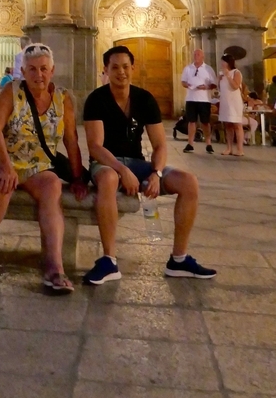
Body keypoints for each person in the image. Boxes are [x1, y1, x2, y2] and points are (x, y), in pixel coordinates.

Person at [83, 45, 216, 284]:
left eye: (125, 67)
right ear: (106, 70)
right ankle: (108, 260)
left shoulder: (144, 99)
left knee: (189, 183)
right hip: (106, 164)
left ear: (132, 68)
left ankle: (178, 259)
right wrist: (122, 170)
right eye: (115, 67)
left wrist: (156, 173)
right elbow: (95, 146)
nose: (121, 72)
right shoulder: (96, 99)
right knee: (109, 178)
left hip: (138, 164)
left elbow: (160, 145)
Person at [0, 43, 87, 292]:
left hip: (36, 164)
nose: (38, 74)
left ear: (52, 70)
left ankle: (54, 265)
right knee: (4, 184)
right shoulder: (12, 91)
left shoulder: (63, 98)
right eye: (32, 69)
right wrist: (6, 167)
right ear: (23, 71)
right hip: (0, 158)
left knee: (52, 185)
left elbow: (71, 140)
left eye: (43, 68)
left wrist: (77, 178)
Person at [181, 48, 218, 153]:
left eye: (198, 54)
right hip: (191, 98)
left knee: (205, 122)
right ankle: (190, 143)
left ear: (202, 56)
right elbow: (183, 82)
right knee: (191, 121)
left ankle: (208, 143)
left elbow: (214, 84)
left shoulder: (208, 69)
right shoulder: (188, 68)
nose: (196, 56)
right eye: (195, 54)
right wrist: (187, 85)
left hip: (204, 99)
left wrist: (206, 87)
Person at [218, 53, 246, 157]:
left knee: (237, 125)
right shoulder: (221, 73)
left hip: (234, 102)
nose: (222, 63)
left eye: (223, 61)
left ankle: (240, 149)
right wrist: (219, 79)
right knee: (228, 125)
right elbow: (220, 88)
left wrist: (228, 76)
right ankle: (229, 148)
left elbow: (235, 86)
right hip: (225, 101)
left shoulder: (236, 72)